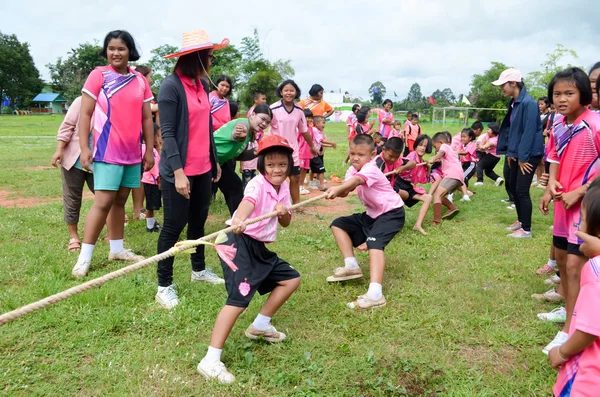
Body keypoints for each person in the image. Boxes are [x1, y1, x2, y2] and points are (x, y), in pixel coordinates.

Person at [197, 135, 301, 384]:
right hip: (235, 243)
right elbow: (247, 204)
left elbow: (285, 222)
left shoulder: (284, 187)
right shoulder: (257, 184)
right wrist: (239, 219)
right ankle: (210, 360)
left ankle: (260, 325)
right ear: (262, 165)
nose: (277, 170)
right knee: (238, 300)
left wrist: (283, 212)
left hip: (257, 246)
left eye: (282, 165)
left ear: (289, 166)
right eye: (271, 164)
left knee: (291, 279)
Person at [71, 30, 154, 279]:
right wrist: (85, 148)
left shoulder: (140, 80)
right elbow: (85, 114)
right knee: (103, 202)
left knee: (120, 201)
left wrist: (149, 150)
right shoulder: (99, 75)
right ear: (106, 51)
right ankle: (84, 258)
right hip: (107, 151)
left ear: (130, 51)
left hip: (132, 154)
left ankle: (116, 249)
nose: (115, 53)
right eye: (111, 48)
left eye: (121, 48)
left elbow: (146, 118)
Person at [155, 30, 228, 309]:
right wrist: (178, 173)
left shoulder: (201, 86)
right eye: (209, 57)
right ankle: (164, 285)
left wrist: (214, 159)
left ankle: (199, 271)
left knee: (198, 223)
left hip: (204, 169)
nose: (211, 62)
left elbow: (206, 127)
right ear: (196, 57)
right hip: (179, 171)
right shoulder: (171, 87)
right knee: (173, 227)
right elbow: (169, 133)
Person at [540, 67, 600, 355]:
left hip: (585, 207)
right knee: (563, 261)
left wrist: (581, 190)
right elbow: (553, 158)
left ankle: (569, 331)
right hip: (563, 206)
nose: (561, 99)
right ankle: (569, 309)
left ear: (584, 94)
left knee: (576, 266)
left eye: (569, 93)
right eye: (557, 94)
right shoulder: (558, 125)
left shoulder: (596, 123)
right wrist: (550, 185)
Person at [325, 134, 405, 310]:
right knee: (338, 224)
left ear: (372, 154)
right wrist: (338, 191)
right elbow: (347, 189)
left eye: (360, 154)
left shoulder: (371, 168)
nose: (355, 158)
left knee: (374, 243)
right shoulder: (352, 170)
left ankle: (376, 294)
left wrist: (339, 187)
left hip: (392, 213)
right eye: (352, 153)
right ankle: (352, 266)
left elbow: (357, 181)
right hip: (373, 214)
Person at [549, 179, 600, 396]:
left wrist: (561, 352)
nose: (579, 225)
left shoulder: (595, 269)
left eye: (583, 219)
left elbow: (590, 330)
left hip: (586, 378)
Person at [493, 68, 544, 238]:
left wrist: (522, 157)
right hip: (517, 153)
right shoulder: (514, 102)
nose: (502, 89)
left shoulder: (528, 103)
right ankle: (521, 222)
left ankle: (527, 230)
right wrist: (511, 153)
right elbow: (513, 131)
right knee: (513, 187)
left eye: (503, 86)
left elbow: (529, 132)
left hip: (528, 155)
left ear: (513, 83)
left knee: (522, 190)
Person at [51, 96, 95, 252]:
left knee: (106, 196)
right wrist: (59, 149)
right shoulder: (80, 101)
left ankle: (113, 234)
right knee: (72, 198)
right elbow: (67, 126)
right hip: (74, 160)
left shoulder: (111, 102)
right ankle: (74, 236)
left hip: (99, 161)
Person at [213, 105, 273, 214]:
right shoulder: (243, 124)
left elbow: (238, 156)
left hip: (220, 162)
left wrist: (255, 152)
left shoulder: (250, 133)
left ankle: (239, 219)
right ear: (253, 114)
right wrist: (240, 136)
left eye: (268, 122)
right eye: (262, 119)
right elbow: (237, 134)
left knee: (235, 187)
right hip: (207, 157)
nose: (264, 124)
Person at [270, 79, 318, 204]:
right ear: (281, 92)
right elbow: (262, 126)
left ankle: (296, 205)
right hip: (277, 149)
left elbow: (304, 131)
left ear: (296, 92)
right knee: (276, 177)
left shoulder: (299, 110)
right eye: (286, 90)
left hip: (293, 150)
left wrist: (312, 146)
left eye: (292, 90)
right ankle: (274, 204)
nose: (289, 93)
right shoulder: (273, 108)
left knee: (295, 177)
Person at [378, 136, 432, 236]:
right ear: (415, 146)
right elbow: (404, 164)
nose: (422, 148)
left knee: (427, 198)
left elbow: (424, 180)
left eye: (425, 146)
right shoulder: (412, 156)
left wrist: (427, 168)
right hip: (399, 182)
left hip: (408, 186)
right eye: (420, 145)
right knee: (397, 201)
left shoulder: (422, 161)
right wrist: (403, 168)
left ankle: (418, 225)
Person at [130, 64, 156, 221]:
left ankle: (140, 209)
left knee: (143, 175)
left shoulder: (150, 93)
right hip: (135, 141)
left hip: (146, 141)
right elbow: (147, 110)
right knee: (138, 177)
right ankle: (136, 210)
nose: (151, 79)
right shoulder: (135, 92)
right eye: (150, 76)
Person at [427, 132, 463, 225]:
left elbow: (441, 152)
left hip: (452, 175)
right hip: (457, 176)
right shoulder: (451, 149)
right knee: (440, 194)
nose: (436, 149)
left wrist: (434, 157)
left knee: (437, 195)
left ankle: (436, 221)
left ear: (441, 142)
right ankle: (452, 208)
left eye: (435, 147)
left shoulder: (444, 146)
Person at [240, 91, 268, 190]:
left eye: (265, 99)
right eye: (263, 99)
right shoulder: (253, 112)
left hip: (256, 140)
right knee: (249, 163)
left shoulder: (257, 111)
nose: (265, 101)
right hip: (252, 140)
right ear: (256, 100)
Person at [142, 124, 163, 232]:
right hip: (151, 181)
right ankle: (150, 226)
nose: (159, 139)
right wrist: (158, 180)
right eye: (157, 136)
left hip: (153, 181)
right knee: (151, 205)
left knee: (152, 205)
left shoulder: (153, 150)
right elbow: (154, 168)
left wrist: (158, 147)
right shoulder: (148, 151)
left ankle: (151, 223)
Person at [308, 115, 337, 191]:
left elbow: (320, 143)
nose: (324, 124)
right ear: (317, 123)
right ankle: (321, 185)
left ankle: (313, 183)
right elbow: (322, 141)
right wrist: (332, 143)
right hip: (313, 154)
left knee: (314, 169)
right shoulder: (315, 130)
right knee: (321, 169)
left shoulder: (317, 131)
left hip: (314, 154)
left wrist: (331, 145)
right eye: (323, 123)